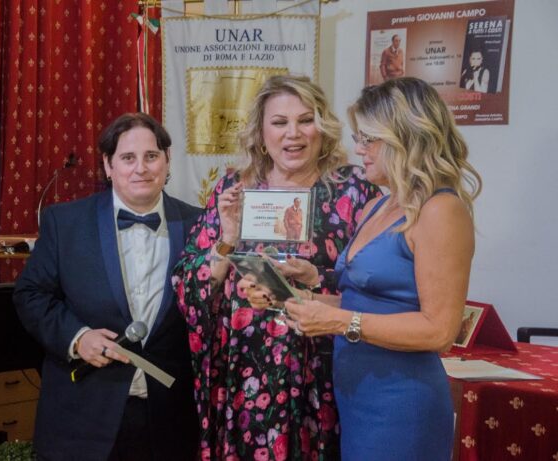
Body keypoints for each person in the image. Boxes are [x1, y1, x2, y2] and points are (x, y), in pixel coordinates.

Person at [172, 75, 380, 460]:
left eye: (305, 120)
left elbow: (374, 285)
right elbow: (189, 286)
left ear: (322, 126)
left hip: (323, 368)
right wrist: (227, 239)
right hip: (246, 372)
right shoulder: (235, 186)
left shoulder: (355, 189)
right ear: (260, 132)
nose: (293, 134)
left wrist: (315, 279)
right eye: (280, 122)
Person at [282, 77, 482, 461]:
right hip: (357, 397)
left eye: (369, 139)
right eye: (358, 138)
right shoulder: (378, 205)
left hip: (402, 402)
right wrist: (297, 299)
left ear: (406, 136)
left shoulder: (441, 210)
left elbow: (440, 330)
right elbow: (364, 302)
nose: (359, 149)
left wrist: (340, 322)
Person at [13, 112, 201, 461]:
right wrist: (77, 338)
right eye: (128, 158)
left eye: (151, 156)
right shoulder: (65, 221)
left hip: (171, 421)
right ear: (108, 165)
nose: (141, 168)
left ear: (167, 159)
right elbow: (30, 295)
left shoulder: (200, 224)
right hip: (82, 419)